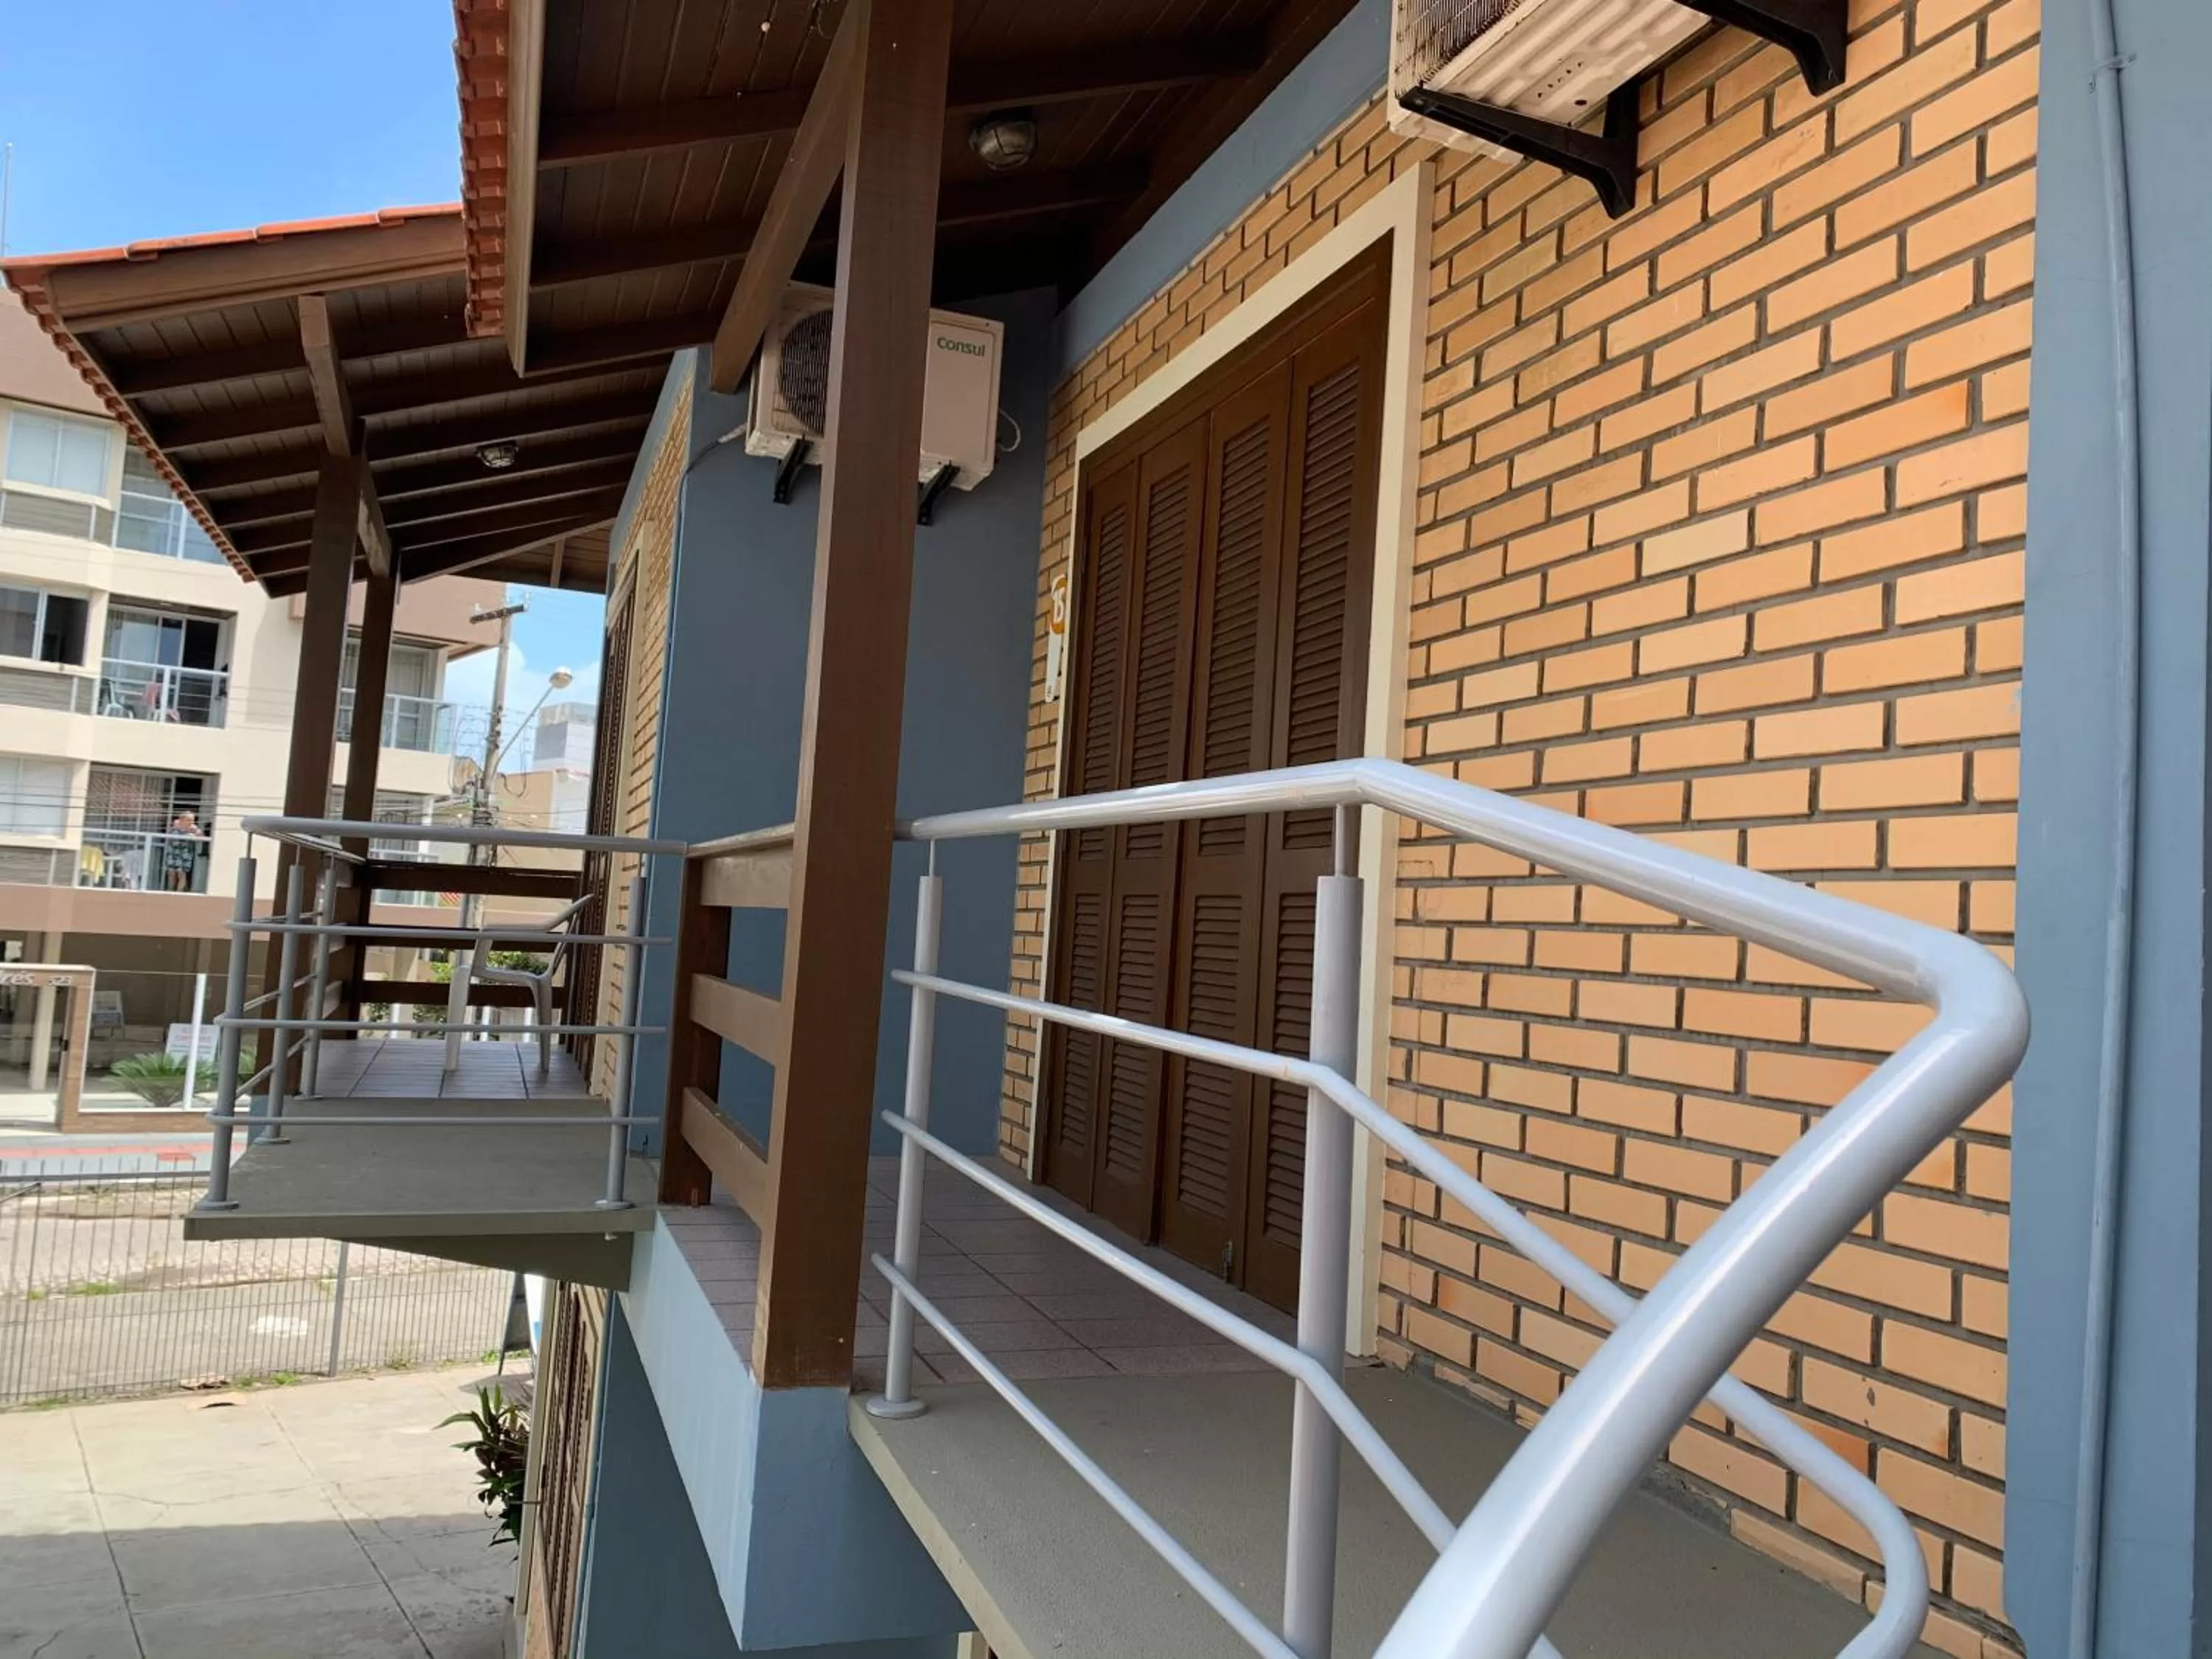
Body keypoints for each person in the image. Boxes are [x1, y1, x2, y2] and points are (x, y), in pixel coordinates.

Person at [161, 810, 205, 892]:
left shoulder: (193, 828)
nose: (191, 822)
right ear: (183, 819)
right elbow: (167, 833)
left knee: (181, 872)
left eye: (193, 820)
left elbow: (202, 836)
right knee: (171, 872)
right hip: (173, 852)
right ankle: (170, 891)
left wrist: (195, 834)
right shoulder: (175, 825)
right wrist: (174, 827)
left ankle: (179, 893)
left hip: (185, 853)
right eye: (189, 819)